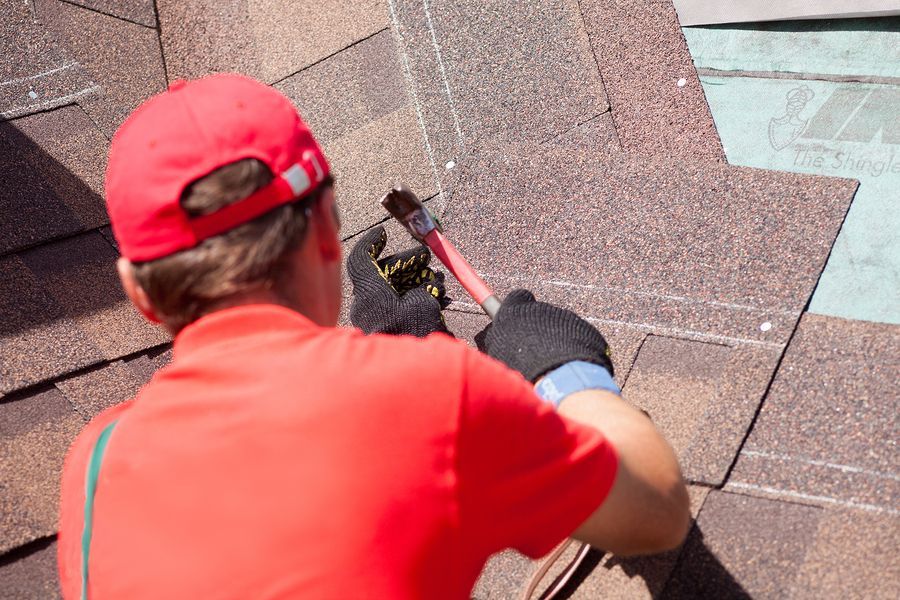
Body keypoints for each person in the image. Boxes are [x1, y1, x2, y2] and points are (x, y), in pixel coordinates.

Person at [57, 74, 689, 599]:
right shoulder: (435, 397)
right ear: (328, 232)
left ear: (138, 293)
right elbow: (657, 510)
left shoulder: (94, 467)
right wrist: (562, 369)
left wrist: (408, 368)